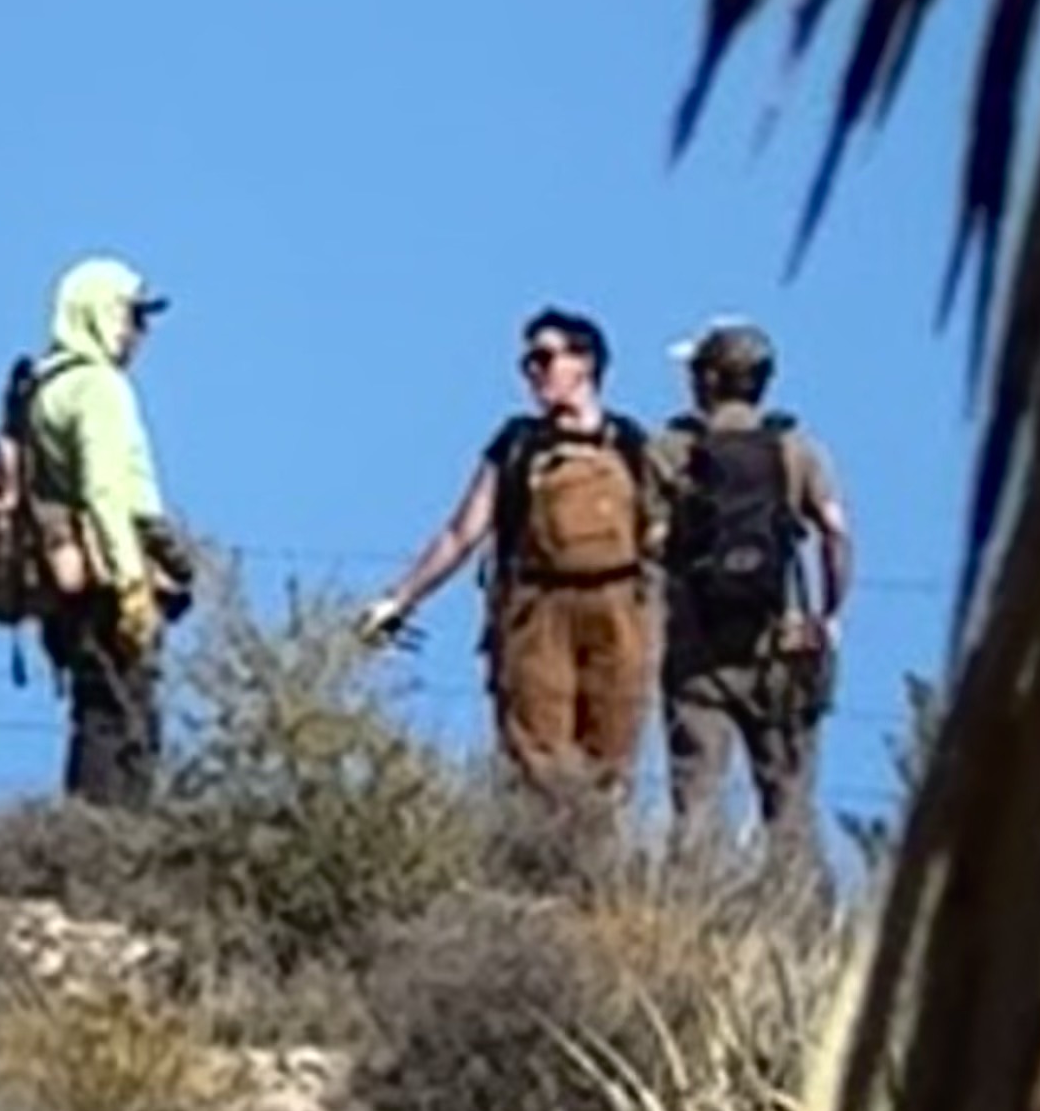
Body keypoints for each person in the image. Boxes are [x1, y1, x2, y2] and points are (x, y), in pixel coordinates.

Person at [355, 308, 661, 804]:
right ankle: (537, 868)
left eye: (544, 358)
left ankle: (594, 874)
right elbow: (462, 533)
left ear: (585, 363)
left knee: (611, 759)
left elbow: (664, 538)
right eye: (528, 363)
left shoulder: (633, 444)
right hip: (534, 613)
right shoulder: (517, 443)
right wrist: (399, 600)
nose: (534, 373)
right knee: (535, 761)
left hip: (620, 611)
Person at [653, 318, 853, 858]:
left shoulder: (673, 449)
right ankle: (802, 927)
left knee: (695, 799)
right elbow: (835, 531)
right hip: (784, 645)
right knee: (790, 805)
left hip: (698, 649)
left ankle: (684, 925)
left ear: (709, 379)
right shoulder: (797, 449)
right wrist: (829, 615)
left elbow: (645, 539)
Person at [25, 256, 191, 806]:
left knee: (95, 711)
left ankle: (83, 845)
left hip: (67, 579)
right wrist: (132, 587)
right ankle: (113, 855)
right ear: (100, 315)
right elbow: (105, 494)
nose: (141, 333)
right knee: (127, 722)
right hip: (108, 574)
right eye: (132, 317)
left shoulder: (45, 388)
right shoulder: (98, 388)